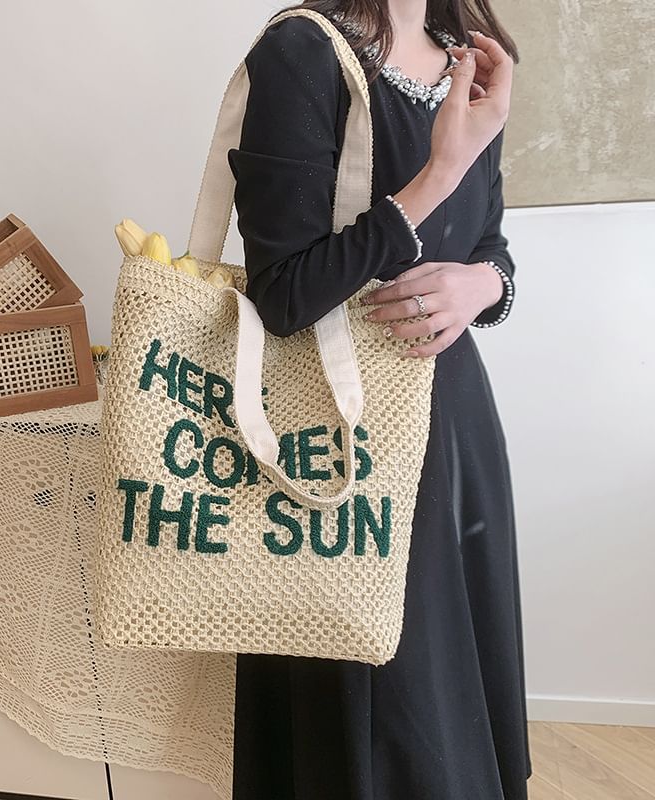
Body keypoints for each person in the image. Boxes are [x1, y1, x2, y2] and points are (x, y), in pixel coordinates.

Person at [227, 1, 531, 798]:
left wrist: (482, 285)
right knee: (388, 724)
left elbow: (490, 246)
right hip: (342, 439)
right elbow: (283, 295)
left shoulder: (468, 57)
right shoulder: (303, 51)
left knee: (458, 712)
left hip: (455, 426)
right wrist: (438, 175)